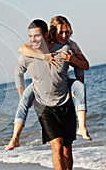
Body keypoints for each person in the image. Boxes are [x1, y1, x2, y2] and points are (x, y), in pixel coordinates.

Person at [5, 16, 91, 151]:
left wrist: (73, 62)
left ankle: (82, 127)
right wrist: (44, 57)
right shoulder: (36, 45)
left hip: (63, 87)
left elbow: (83, 66)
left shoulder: (70, 46)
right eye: (61, 32)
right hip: (40, 89)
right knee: (24, 100)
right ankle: (15, 138)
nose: (64, 35)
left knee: (80, 88)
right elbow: (22, 49)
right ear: (51, 32)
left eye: (67, 32)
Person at [12, 19, 76, 170]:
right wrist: (23, 97)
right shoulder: (28, 55)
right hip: (44, 107)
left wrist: (77, 87)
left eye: (37, 36)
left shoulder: (63, 49)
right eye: (30, 36)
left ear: (46, 34)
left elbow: (81, 66)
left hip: (65, 102)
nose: (33, 40)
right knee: (57, 145)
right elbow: (18, 74)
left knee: (67, 149)